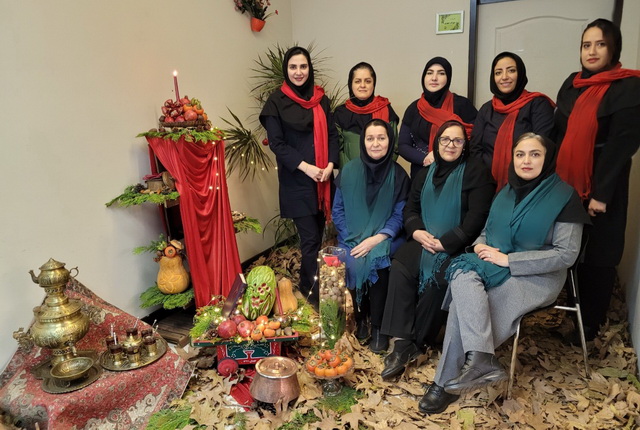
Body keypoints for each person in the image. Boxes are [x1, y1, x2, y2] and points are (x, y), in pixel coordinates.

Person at [419, 133, 589, 415]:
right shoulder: (506, 192)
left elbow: (565, 255)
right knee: (460, 270)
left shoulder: (565, 197)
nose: (526, 161)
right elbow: (487, 232)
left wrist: (509, 260)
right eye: (520, 154)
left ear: (547, 158)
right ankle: (481, 358)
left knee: (465, 304)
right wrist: (480, 245)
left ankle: (445, 383)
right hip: (494, 265)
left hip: (537, 276)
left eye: (535, 154)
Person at [380, 120, 495, 370]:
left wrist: (446, 243)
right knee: (400, 266)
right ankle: (401, 340)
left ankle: (419, 342)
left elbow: (477, 218)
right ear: (437, 142)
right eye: (445, 139)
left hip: (458, 245)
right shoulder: (425, 173)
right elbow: (410, 209)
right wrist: (417, 232)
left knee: (439, 278)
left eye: (457, 140)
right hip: (425, 239)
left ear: (465, 145)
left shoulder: (477, 173)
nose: (450, 145)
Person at [553, 18, 640, 342]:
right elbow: (558, 133)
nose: (592, 51)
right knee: (568, 247)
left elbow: (621, 145)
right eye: (586, 45)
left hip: (604, 185)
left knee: (598, 254)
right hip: (566, 184)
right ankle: (569, 312)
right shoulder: (572, 84)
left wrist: (600, 194)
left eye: (600, 44)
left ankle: (589, 325)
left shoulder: (628, 87)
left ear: (613, 48)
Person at [259, 46, 339, 307]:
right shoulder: (276, 102)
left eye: (303, 66)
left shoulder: (321, 99)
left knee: (318, 236)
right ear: (286, 69)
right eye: (293, 67)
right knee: (310, 239)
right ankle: (312, 291)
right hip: (297, 181)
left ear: (309, 68)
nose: (298, 72)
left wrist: (330, 165)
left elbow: (332, 135)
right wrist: (307, 167)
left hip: (323, 179)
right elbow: (277, 144)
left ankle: (308, 282)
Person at [332, 119, 410, 351]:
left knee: (378, 260)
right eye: (370, 138)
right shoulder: (348, 171)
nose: (376, 143)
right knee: (354, 259)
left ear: (390, 141)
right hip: (351, 237)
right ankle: (361, 316)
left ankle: (378, 326)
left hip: (386, 237)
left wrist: (377, 238)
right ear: (363, 142)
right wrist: (352, 237)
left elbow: (400, 214)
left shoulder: (399, 175)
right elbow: (338, 210)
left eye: (381, 138)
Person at [469, 52, 555, 190]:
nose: (504, 77)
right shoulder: (486, 109)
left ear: (520, 73)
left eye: (511, 71)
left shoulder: (537, 104)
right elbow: (475, 148)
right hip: (486, 182)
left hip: (528, 184)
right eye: (498, 72)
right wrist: (484, 181)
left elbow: (543, 147)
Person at [397, 57, 477, 178]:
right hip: (421, 174)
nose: (434, 78)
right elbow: (403, 145)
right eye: (429, 73)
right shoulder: (414, 108)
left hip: (456, 174)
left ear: (448, 78)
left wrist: (445, 156)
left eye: (441, 73)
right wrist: (425, 158)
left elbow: (475, 140)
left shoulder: (463, 105)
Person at [333, 62, 400, 168]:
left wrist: (379, 170)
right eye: (357, 81)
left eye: (368, 81)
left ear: (373, 84)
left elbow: (394, 146)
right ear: (351, 84)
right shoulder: (340, 113)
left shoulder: (385, 109)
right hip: (350, 173)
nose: (363, 85)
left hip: (381, 173)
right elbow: (337, 148)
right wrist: (351, 171)